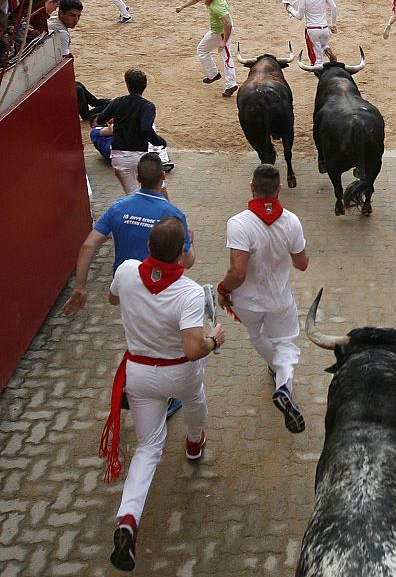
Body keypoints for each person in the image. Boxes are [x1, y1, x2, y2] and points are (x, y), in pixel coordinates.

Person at [101, 217, 224, 572]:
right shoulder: (188, 292)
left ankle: (127, 519)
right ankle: (194, 441)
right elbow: (191, 349)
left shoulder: (126, 271)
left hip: (139, 374)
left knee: (149, 447)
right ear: (182, 254)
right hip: (179, 372)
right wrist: (214, 339)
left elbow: (112, 299)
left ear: (149, 247)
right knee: (195, 400)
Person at [217, 164, 309, 434]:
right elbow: (301, 264)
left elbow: (237, 271)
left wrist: (223, 290)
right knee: (287, 344)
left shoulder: (238, 223)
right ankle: (283, 384)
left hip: (246, 302)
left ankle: (275, 370)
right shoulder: (291, 221)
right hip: (279, 300)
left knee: (257, 337)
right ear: (279, 189)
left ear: (251, 187)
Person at [62, 152, 194, 317]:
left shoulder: (117, 208)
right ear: (163, 176)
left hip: (126, 287)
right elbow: (187, 261)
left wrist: (80, 287)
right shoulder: (174, 215)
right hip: (159, 287)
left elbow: (89, 245)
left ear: (138, 178)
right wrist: (191, 240)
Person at [96, 69, 169, 195]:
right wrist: (159, 141)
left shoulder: (117, 101)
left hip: (118, 156)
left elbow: (100, 119)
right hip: (140, 156)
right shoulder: (147, 106)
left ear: (128, 86)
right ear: (145, 86)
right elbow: (146, 128)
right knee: (159, 190)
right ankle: (168, 214)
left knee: (132, 195)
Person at [176, 0, 238, 98]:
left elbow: (228, 25)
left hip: (222, 33)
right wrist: (182, 7)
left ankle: (231, 84)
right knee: (202, 50)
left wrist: (224, 41)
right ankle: (213, 74)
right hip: (215, 31)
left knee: (226, 57)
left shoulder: (218, 6)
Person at [284, 0, 338, 65]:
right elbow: (334, 7)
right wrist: (333, 24)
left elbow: (300, 16)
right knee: (323, 44)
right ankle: (327, 49)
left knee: (317, 62)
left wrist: (290, 9)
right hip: (325, 30)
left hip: (313, 31)